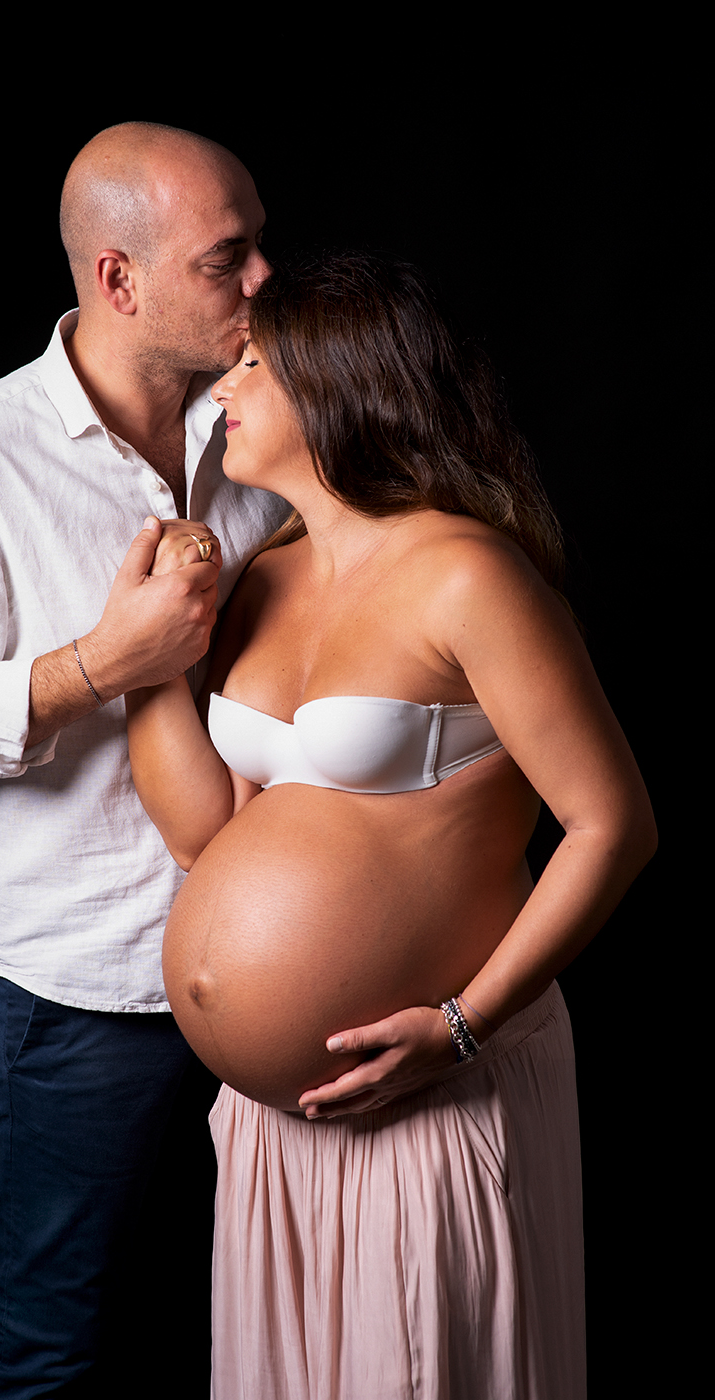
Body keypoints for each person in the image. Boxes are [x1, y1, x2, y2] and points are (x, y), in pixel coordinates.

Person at [125, 252, 657, 1399]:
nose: (226, 384)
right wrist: (145, 656)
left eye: (254, 363)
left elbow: (609, 822)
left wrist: (458, 1026)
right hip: (279, 1123)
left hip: (429, 1077)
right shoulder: (264, 576)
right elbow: (206, 832)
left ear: (333, 382)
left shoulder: (466, 574)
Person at [0, 122, 289, 1397]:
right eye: (231, 258)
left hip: (265, 976)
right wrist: (105, 660)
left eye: (260, 243)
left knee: (243, 1336)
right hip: (70, 996)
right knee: (51, 1354)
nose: (266, 277)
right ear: (120, 278)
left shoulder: (267, 425)